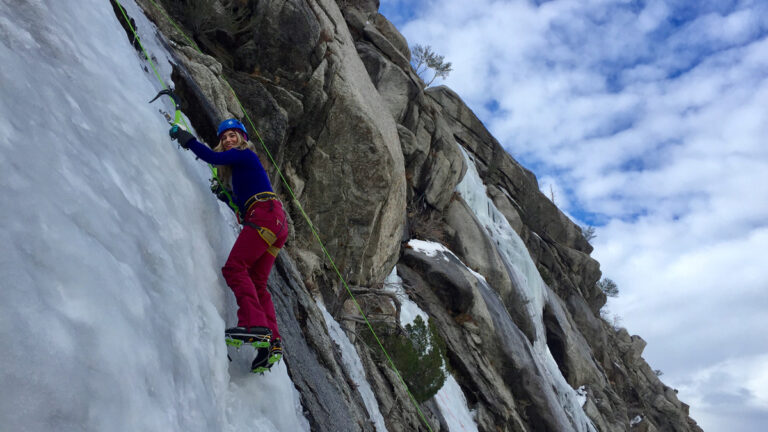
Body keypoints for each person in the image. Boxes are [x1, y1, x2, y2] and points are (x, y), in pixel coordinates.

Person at [170, 118, 287, 372]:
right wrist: (229, 197)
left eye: (233, 135)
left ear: (242, 138)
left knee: (234, 268)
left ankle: (254, 327)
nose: (228, 140)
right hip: (276, 222)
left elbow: (213, 158)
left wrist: (186, 139)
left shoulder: (244, 155)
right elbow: (239, 199)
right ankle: (273, 342)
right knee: (257, 281)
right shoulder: (243, 169)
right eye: (224, 137)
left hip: (264, 215)